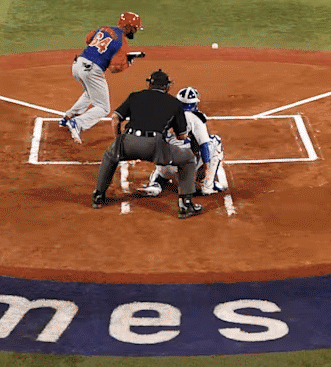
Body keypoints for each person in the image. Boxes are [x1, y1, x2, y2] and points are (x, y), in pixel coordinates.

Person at [92, 69, 205, 218]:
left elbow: (115, 118)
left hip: (128, 141)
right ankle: (185, 205)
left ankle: (99, 196)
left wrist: (119, 141)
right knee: (188, 158)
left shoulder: (135, 96)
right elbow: (182, 136)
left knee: (110, 155)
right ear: (166, 86)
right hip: (155, 146)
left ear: (149, 84)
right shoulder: (174, 103)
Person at [58, 12, 145, 142]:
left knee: (90, 94)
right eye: (134, 28)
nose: (135, 31)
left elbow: (88, 39)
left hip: (78, 64)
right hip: (92, 71)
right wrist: (128, 62)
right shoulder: (123, 43)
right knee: (104, 108)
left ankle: (67, 118)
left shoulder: (104, 28)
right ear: (128, 27)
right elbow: (114, 68)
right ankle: (78, 123)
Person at [138, 84, 227, 198]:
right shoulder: (195, 118)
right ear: (194, 103)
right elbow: (204, 146)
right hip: (184, 167)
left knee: (165, 150)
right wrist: (205, 169)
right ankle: (208, 187)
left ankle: (156, 184)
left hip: (164, 166)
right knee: (215, 141)